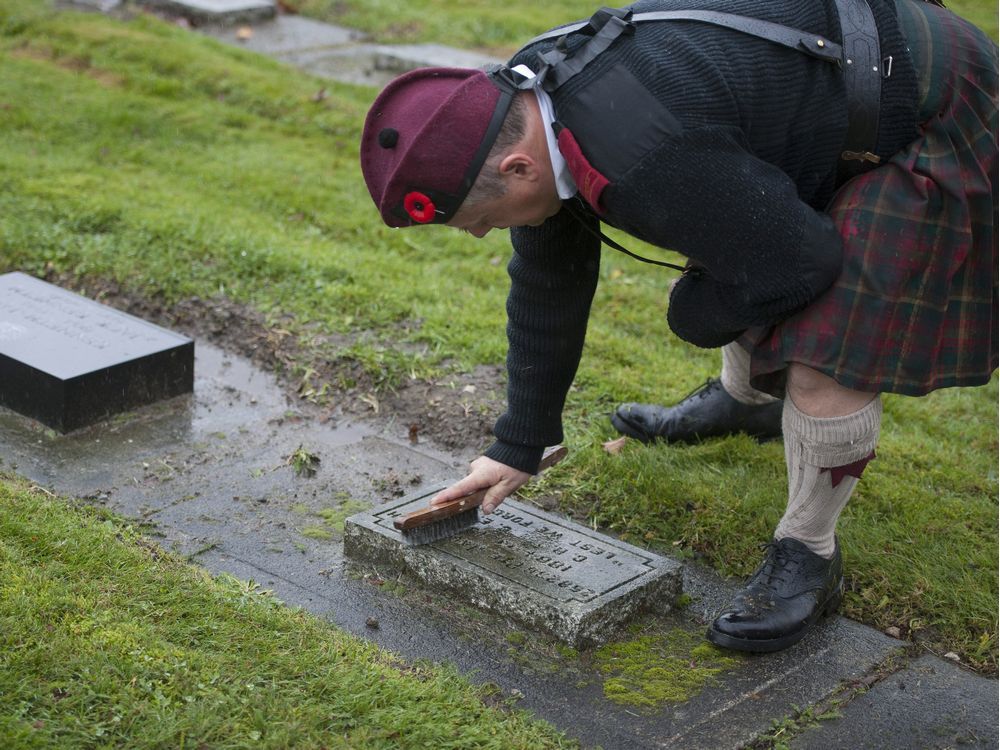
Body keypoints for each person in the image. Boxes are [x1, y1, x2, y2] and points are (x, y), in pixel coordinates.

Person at [359, 0, 997, 652]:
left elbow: (802, 263)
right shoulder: (524, 101)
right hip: (827, 91)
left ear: (518, 169)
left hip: (938, 100)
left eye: (477, 220)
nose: (479, 233)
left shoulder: (642, 149)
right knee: (732, 235)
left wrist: (691, 314)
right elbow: (548, 282)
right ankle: (747, 402)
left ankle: (809, 553)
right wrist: (519, 443)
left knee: (824, 349)